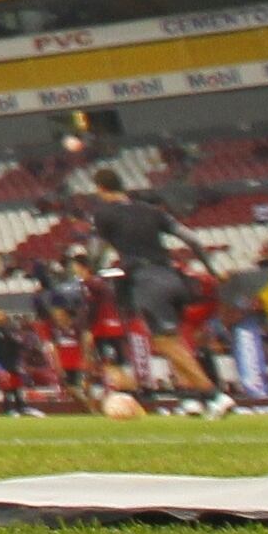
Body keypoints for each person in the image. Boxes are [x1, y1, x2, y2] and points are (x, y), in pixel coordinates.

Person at [82, 168, 217, 395]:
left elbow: (96, 252)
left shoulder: (104, 214)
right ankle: (191, 398)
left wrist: (92, 271)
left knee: (164, 342)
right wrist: (211, 270)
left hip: (147, 282)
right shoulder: (152, 210)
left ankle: (212, 393)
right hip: (174, 278)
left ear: (101, 188)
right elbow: (191, 239)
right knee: (173, 339)